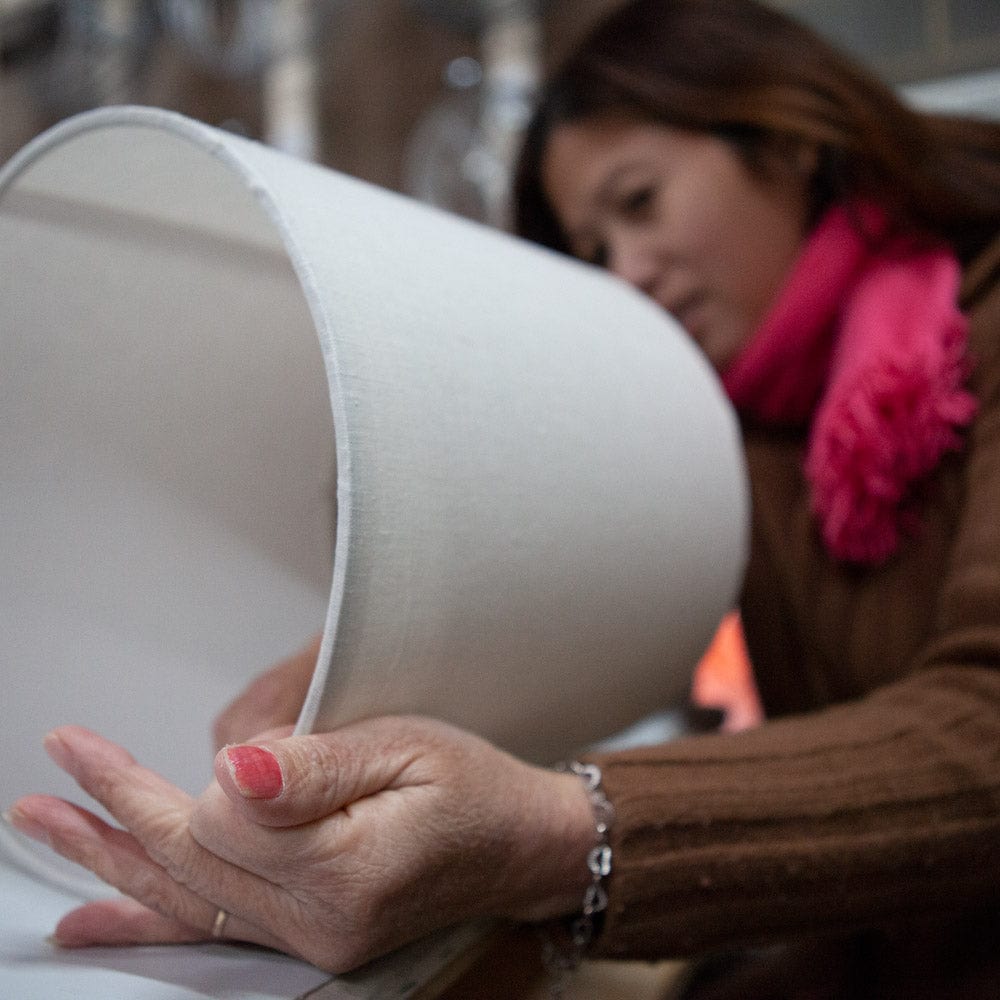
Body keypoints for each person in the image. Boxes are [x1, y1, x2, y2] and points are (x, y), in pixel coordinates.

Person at [7, 0, 1000, 996]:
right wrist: (364, 653)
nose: (631, 273)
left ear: (783, 141)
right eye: (597, 251)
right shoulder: (736, 429)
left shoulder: (974, 319)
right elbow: (577, 575)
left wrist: (551, 834)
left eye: (640, 201)